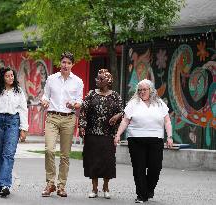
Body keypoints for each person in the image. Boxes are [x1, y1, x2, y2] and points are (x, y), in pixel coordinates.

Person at [114, 79, 173, 203]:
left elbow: (167, 121)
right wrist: (118, 134)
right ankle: (141, 195)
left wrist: (169, 137)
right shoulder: (133, 103)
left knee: (155, 167)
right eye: (140, 90)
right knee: (139, 168)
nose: (142, 92)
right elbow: (125, 120)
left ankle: (148, 190)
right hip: (136, 139)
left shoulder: (159, 103)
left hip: (156, 139)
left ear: (151, 90)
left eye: (144, 89)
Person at [40, 51, 83, 197]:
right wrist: (44, 100)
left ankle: (61, 186)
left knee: (65, 155)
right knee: (49, 150)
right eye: (63, 62)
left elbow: (80, 101)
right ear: (60, 63)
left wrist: (74, 105)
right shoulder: (51, 79)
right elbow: (45, 95)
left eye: (69, 63)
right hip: (52, 117)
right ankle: (50, 183)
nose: (66, 65)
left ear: (72, 64)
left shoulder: (78, 81)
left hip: (68, 119)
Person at [0, 66, 28, 197]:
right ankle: (0, 184)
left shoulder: (18, 91)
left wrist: (23, 128)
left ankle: (5, 185)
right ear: (2, 77)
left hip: (13, 122)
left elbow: (23, 110)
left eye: (12, 75)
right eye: (8, 76)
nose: (10, 78)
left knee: (8, 154)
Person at [79, 69, 123, 199]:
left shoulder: (115, 95)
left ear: (107, 81)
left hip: (108, 134)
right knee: (93, 161)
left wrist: (117, 116)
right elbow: (83, 111)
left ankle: (106, 186)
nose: (97, 81)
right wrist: (82, 126)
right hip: (92, 133)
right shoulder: (91, 94)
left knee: (107, 161)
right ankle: (94, 188)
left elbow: (123, 112)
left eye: (100, 79)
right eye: (97, 78)